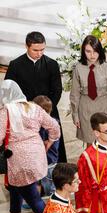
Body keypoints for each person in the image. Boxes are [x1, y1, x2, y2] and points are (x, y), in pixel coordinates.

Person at [0, 80, 60, 213]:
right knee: (15, 187)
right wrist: (49, 143)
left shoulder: (5, 111)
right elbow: (54, 127)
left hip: (19, 161)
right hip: (37, 155)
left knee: (33, 198)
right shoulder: (34, 108)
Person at [5, 31, 67, 162]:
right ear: (26, 46)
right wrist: (25, 111)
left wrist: (45, 111)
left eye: (42, 49)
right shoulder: (15, 65)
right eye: (35, 50)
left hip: (48, 111)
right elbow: (9, 90)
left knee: (51, 151)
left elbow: (57, 90)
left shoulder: (52, 64)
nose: (39, 53)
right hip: (24, 115)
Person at [70, 35, 107, 145]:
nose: (92, 55)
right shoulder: (78, 68)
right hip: (85, 108)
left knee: (105, 141)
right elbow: (74, 94)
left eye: (95, 51)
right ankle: (90, 162)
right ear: (83, 51)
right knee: (90, 141)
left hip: (104, 107)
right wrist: (75, 114)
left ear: (100, 51)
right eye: (88, 51)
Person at [33, 95, 59, 197]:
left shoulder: (43, 126)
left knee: (49, 184)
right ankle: (38, 198)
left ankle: (49, 199)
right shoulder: (54, 121)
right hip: (49, 160)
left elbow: (44, 144)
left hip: (47, 161)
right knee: (39, 181)